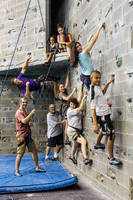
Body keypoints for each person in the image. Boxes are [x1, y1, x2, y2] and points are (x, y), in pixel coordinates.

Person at [90, 70, 121, 165]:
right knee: (112, 135)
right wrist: (95, 125)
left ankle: (98, 144)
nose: (99, 79)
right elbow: (92, 108)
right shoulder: (92, 90)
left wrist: (108, 83)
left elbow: (102, 92)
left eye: (99, 77)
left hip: (104, 114)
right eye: (96, 78)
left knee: (104, 131)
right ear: (91, 78)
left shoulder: (97, 87)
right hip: (103, 116)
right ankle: (111, 158)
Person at [15, 97, 45, 176]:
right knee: (20, 154)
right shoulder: (19, 112)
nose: (25, 104)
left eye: (26, 102)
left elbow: (26, 121)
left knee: (34, 151)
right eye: (23, 102)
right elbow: (24, 120)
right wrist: (31, 114)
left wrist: (30, 123)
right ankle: (17, 171)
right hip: (21, 136)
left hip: (28, 135)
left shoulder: (25, 112)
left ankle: (37, 168)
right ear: (20, 103)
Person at [74, 23, 105, 90]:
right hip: (88, 77)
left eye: (79, 45)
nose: (79, 47)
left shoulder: (78, 56)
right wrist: (99, 28)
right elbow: (93, 41)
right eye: (77, 47)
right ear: (75, 50)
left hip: (84, 76)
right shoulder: (83, 53)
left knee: (94, 93)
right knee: (95, 94)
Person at [67, 94, 92, 165]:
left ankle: (71, 156)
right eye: (71, 104)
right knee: (83, 142)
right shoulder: (69, 111)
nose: (73, 106)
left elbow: (78, 101)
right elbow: (80, 108)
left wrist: (81, 89)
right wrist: (83, 98)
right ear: (69, 105)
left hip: (76, 130)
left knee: (75, 145)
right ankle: (85, 158)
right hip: (72, 130)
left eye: (74, 104)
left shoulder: (75, 110)